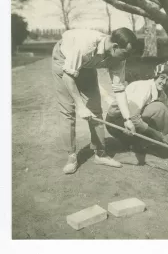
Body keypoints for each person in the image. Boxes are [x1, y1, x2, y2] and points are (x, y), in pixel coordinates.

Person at [52, 27, 137, 174]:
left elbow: (119, 89)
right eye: (126, 54)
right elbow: (68, 77)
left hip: (86, 64)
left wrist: (127, 119)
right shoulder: (84, 45)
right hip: (64, 58)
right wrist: (80, 106)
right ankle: (72, 157)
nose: (126, 58)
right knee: (68, 110)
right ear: (115, 47)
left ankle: (100, 154)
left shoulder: (119, 57)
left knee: (95, 109)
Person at [105, 63, 168, 163]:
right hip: (115, 123)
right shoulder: (144, 88)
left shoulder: (161, 95)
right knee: (158, 108)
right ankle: (132, 146)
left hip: (129, 121)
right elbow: (133, 117)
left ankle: (137, 143)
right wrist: (156, 135)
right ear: (155, 77)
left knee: (160, 109)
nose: (164, 82)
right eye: (162, 78)